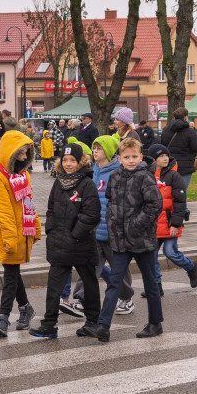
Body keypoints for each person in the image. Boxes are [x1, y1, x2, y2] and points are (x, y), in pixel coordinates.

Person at [84, 138, 163, 342]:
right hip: (119, 240)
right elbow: (110, 202)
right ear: (119, 158)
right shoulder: (115, 175)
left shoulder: (145, 177)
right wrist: (113, 225)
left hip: (142, 239)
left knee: (150, 282)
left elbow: (154, 205)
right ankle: (103, 326)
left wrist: (135, 225)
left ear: (140, 156)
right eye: (126, 157)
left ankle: (155, 323)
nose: (130, 160)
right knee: (114, 283)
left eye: (134, 156)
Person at [30, 143, 102, 339]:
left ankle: (93, 321)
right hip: (59, 243)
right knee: (54, 285)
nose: (68, 164)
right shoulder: (58, 182)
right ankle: (49, 324)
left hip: (81, 244)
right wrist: (51, 230)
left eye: (73, 160)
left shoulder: (87, 184)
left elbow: (92, 215)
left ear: (81, 162)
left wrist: (75, 234)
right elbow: (51, 210)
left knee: (89, 282)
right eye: (65, 160)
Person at [66, 135, 136, 316]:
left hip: (113, 232)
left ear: (109, 151)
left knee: (119, 268)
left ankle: (126, 298)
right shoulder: (92, 171)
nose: (95, 151)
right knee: (88, 266)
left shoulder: (117, 172)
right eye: (94, 148)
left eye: (99, 148)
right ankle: (82, 300)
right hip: (94, 232)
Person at [0, 130, 42, 336]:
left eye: (27, 153)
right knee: (11, 273)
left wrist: (35, 227)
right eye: (21, 154)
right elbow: (2, 211)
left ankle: (8, 316)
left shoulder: (22, 175)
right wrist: (10, 239)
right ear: (10, 153)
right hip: (7, 234)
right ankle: (9, 315)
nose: (25, 158)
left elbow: (29, 203)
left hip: (20, 232)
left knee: (12, 273)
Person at [147, 143, 197, 291]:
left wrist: (175, 224)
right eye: (161, 156)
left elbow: (179, 202)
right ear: (153, 158)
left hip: (169, 222)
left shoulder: (174, 176)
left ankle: (191, 267)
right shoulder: (147, 175)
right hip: (152, 224)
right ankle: (156, 286)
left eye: (166, 156)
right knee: (151, 257)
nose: (165, 159)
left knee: (170, 252)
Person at [160, 107, 197, 189]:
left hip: (169, 164)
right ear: (185, 117)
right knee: (182, 192)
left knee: (169, 191)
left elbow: (162, 145)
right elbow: (195, 148)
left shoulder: (166, 129)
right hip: (185, 166)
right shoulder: (190, 131)